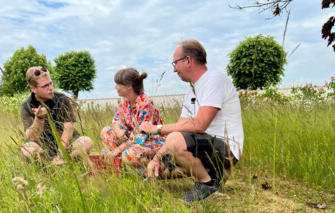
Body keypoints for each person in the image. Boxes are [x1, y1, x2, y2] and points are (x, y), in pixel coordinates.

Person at [140, 39, 244, 202]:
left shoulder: (214, 79)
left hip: (226, 149)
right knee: (158, 168)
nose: (174, 69)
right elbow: (180, 128)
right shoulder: (191, 91)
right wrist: (157, 158)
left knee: (174, 141)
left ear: (188, 60)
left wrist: (156, 128)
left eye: (175, 63)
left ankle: (207, 182)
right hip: (204, 147)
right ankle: (213, 174)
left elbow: (199, 125)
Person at [20, 66, 93, 164]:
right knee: (27, 150)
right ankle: (47, 169)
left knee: (87, 142)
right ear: (33, 89)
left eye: (50, 83)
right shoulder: (26, 105)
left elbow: (69, 128)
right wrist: (39, 118)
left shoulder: (62, 99)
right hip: (42, 148)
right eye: (45, 86)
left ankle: (68, 165)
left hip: (66, 145)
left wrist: (60, 154)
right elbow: (32, 137)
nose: (50, 88)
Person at [101, 67, 165, 169]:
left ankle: (142, 173)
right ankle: (115, 167)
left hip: (150, 140)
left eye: (118, 84)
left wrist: (116, 150)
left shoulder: (145, 102)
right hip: (130, 138)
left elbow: (139, 137)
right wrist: (119, 132)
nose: (115, 87)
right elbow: (116, 121)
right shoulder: (124, 101)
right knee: (106, 131)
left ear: (129, 86)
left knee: (130, 152)